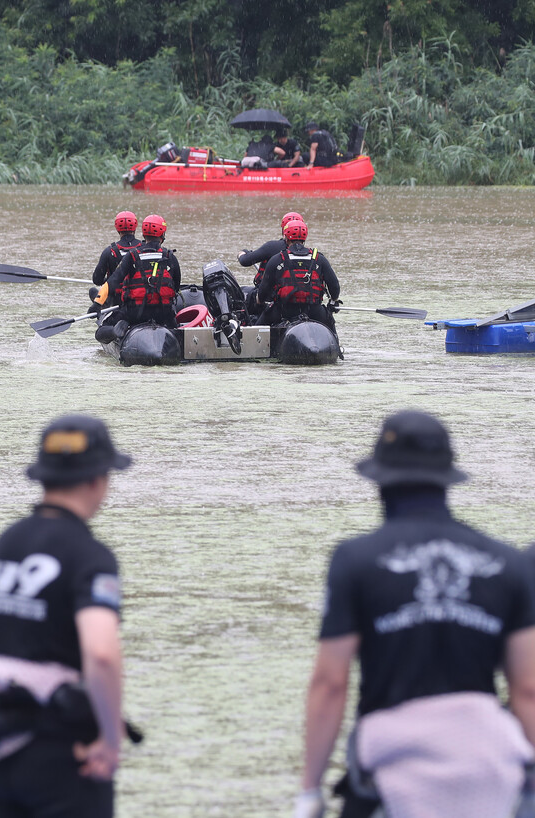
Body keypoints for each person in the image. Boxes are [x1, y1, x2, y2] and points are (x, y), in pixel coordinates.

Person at [296, 410, 535, 818]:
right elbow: (527, 690)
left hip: (392, 775)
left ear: (380, 484)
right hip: (490, 773)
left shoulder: (356, 560)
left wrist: (310, 791)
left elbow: (330, 683)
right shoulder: (508, 564)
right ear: (447, 481)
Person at [0, 415, 132, 818]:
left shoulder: (4, 546)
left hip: (3, 750)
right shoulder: (89, 556)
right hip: (65, 755)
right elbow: (101, 653)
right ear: (98, 479)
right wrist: (111, 741)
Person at [92, 214, 181, 332]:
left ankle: (117, 330)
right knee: (174, 320)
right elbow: (176, 286)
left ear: (143, 234)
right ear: (162, 235)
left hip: (136, 313)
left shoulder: (132, 255)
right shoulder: (169, 256)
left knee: (100, 332)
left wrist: (97, 304)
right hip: (164, 313)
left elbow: (112, 281)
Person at [256, 219, 341, 331]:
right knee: (331, 327)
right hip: (314, 311)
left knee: (258, 328)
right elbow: (334, 287)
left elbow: (263, 292)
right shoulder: (319, 259)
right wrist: (333, 301)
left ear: (286, 237)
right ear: (305, 237)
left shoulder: (276, 259)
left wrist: (260, 302)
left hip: (283, 311)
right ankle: (337, 347)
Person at [237, 211, 304, 315]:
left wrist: (242, 253)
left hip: (271, 299)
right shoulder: (312, 255)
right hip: (298, 301)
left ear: (284, 230)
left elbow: (245, 261)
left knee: (238, 293)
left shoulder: (273, 248)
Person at [92, 211, 141, 287]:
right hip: (139, 295)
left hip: (116, 296)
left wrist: (110, 280)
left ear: (117, 227)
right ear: (135, 226)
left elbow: (97, 280)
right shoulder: (144, 248)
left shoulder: (109, 251)